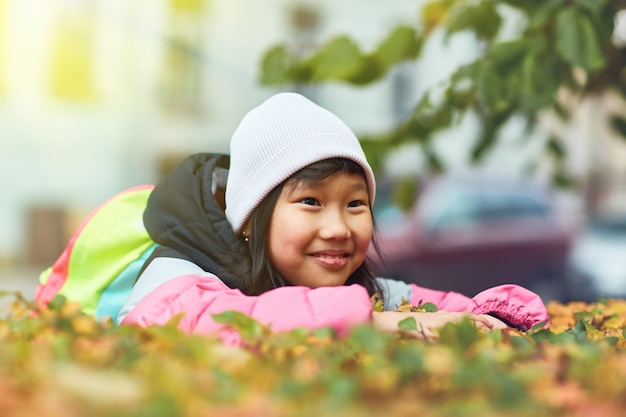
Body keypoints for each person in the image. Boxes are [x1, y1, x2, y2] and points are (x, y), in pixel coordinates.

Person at [117, 92, 549, 344]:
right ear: (250, 219)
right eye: (310, 202)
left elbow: (440, 307)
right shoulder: (176, 269)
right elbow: (197, 321)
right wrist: (382, 323)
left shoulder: (358, 289)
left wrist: (503, 315)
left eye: (355, 204)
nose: (338, 228)